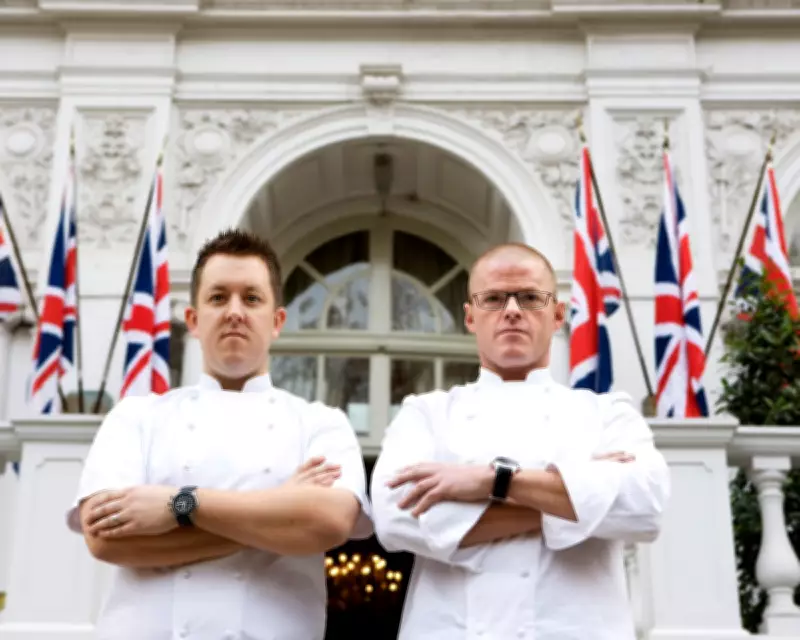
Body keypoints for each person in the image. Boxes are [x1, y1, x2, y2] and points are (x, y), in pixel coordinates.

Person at [66, 229, 372, 640]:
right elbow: (104, 539)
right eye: (218, 297)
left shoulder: (320, 422)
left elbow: (329, 522)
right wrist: (279, 510)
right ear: (193, 320)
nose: (234, 312)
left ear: (277, 321)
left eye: (252, 298)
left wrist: (179, 505)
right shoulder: (136, 416)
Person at [371, 242, 670, 640]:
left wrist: (490, 481)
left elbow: (646, 506)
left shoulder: (606, 412)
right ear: (471, 317)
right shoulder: (426, 412)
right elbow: (394, 518)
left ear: (558, 314)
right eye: (493, 299)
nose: (512, 310)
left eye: (530, 298)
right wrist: (579, 501)